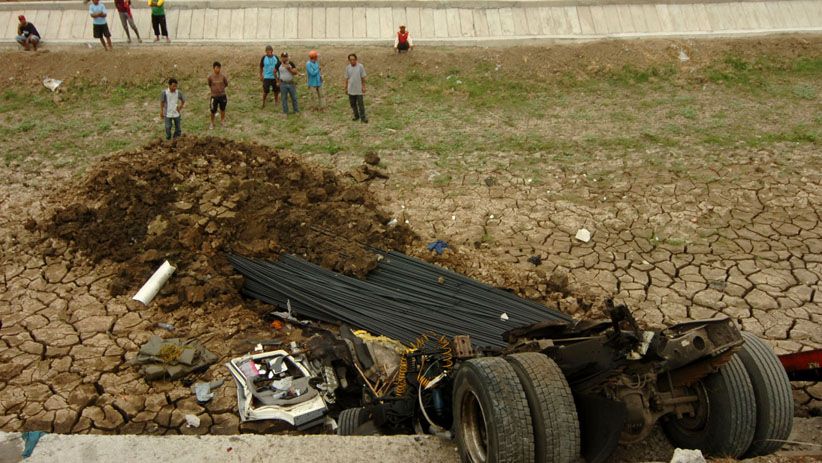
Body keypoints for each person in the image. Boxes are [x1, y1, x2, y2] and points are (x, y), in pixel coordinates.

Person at [345, 53, 367, 123]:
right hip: (351, 89)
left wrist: (363, 86)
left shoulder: (360, 66)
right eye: (351, 60)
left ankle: (363, 118)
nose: (352, 61)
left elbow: (363, 77)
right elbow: (346, 78)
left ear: (356, 59)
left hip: (359, 89)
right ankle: (356, 116)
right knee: (353, 104)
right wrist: (346, 88)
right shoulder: (347, 68)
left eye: (353, 59)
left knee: (360, 104)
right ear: (349, 60)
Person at [207, 61, 228, 129]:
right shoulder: (210, 77)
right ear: (213, 68)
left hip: (222, 95)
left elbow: (226, 84)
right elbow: (209, 84)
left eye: (219, 68)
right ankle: (212, 123)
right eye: (216, 68)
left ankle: (222, 121)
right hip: (214, 96)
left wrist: (221, 89)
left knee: (222, 109)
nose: (218, 69)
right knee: (213, 110)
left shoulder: (223, 76)